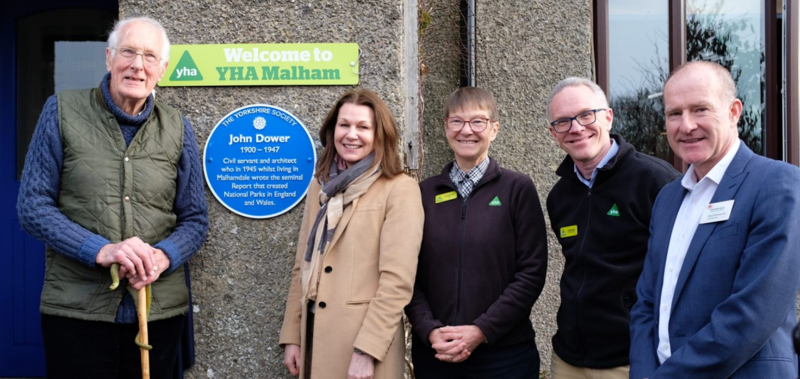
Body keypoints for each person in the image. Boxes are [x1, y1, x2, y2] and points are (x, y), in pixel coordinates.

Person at [16, 17, 208, 379]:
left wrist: (163, 256)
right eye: (129, 52)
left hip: (158, 313)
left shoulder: (178, 127)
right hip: (77, 312)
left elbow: (195, 219)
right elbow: (33, 207)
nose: (138, 65)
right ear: (108, 58)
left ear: (162, 69)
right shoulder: (61, 111)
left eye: (150, 56)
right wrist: (102, 250)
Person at [629, 61, 800, 378]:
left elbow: (753, 313)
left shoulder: (777, 184)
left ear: (734, 111)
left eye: (700, 109)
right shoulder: (668, 198)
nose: (686, 125)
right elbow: (647, 303)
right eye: (674, 114)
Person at [279, 88, 424, 379]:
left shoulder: (399, 189)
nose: (351, 134)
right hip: (314, 340)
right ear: (333, 130)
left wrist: (367, 350)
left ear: (379, 133)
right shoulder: (319, 188)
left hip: (363, 348)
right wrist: (293, 335)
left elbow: (397, 281)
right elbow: (302, 267)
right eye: (344, 125)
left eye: (363, 127)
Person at [405, 87, 548, 378]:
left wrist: (481, 329)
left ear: (494, 129)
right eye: (457, 121)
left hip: (504, 356)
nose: (466, 130)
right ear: (446, 128)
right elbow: (406, 272)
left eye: (478, 121)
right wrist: (429, 330)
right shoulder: (422, 194)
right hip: (437, 354)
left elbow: (531, 272)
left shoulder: (517, 189)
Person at [545, 78, 679, 379]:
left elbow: (681, 272)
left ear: (608, 116)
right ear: (553, 134)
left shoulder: (657, 182)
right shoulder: (559, 197)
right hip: (569, 358)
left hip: (631, 357)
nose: (576, 127)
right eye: (563, 122)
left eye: (585, 115)